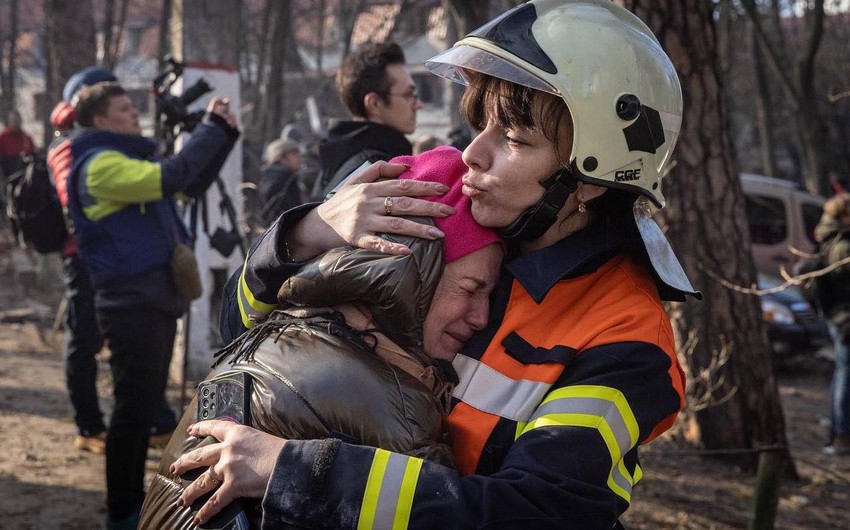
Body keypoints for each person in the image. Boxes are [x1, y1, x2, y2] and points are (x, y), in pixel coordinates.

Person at [175, 1, 699, 528]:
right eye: (482, 124)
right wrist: (302, 234)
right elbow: (240, 332)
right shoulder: (452, 227)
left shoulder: (625, 334)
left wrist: (297, 473)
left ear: (589, 182)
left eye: (515, 138)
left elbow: (535, 512)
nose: (473, 152)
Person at [138, 146, 504, 529]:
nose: (481, 317)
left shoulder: (284, 328)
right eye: (470, 288)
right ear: (410, 275)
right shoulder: (398, 409)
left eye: (490, 297)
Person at [65, 80, 239, 529]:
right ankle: (123, 512)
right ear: (100, 119)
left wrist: (222, 134)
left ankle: (131, 505)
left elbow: (189, 183)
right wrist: (211, 127)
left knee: (141, 410)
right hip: (130, 304)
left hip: (150, 300)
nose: (134, 113)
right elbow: (173, 177)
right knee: (132, 412)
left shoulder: (126, 162)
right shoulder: (100, 165)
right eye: (125, 108)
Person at [47, 67, 178, 454]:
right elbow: (78, 200)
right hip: (87, 257)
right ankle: (89, 426)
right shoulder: (72, 147)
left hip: (104, 255)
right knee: (84, 340)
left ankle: (158, 421)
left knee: (132, 348)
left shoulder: (89, 142)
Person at [310, 41, 422, 200]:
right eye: (408, 95)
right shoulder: (377, 171)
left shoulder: (338, 160)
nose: (418, 104)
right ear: (374, 104)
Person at [814, 193, 850, 455]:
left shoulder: (830, 238)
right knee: (846, 376)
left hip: (838, 318)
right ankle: (841, 434)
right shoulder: (842, 245)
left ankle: (839, 432)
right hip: (845, 320)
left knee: (843, 374)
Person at [257, 138, 305, 227]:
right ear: (281, 158)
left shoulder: (288, 177)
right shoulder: (277, 179)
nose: (298, 157)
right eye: (293, 154)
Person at [0, 109, 36, 199]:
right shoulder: (2, 138)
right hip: (7, 173)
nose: (16, 123)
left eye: (18, 121)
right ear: (9, 122)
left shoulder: (26, 137)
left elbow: (33, 153)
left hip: (24, 174)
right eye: (14, 121)